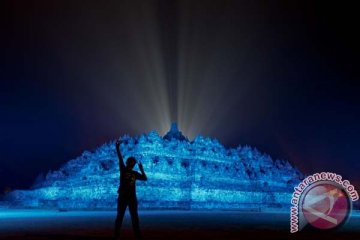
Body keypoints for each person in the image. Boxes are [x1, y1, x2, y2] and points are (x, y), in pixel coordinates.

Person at [114, 139, 147, 240]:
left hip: (132, 198)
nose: (133, 164)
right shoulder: (123, 170)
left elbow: (145, 178)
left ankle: (138, 235)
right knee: (120, 216)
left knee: (135, 217)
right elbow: (120, 159)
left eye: (134, 163)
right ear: (128, 162)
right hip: (123, 197)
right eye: (132, 162)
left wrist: (141, 169)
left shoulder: (135, 173)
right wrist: (117, 148)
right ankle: (116, 235)